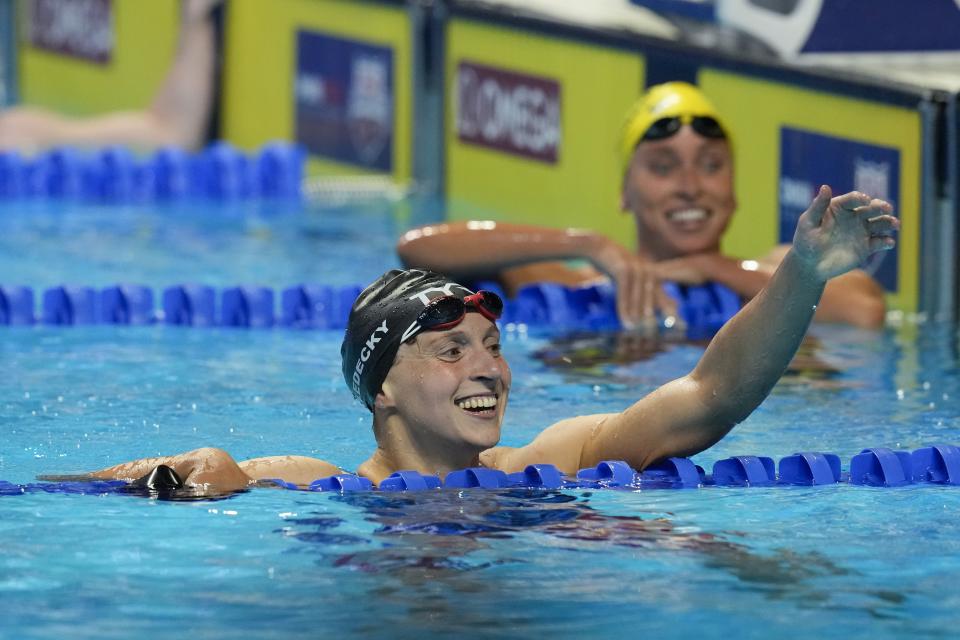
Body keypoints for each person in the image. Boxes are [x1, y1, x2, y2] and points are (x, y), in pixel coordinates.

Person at [80, 185, 897, 492]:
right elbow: (207, 476)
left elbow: (712, 395)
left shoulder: (552, 459)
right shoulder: (314, 483)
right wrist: (192, 475)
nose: (489, 369)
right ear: (383, 388)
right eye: (451, 349)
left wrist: (803, 275)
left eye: (493, 345)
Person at [396, 82, 888, 330]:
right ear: (625, 193)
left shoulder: (773, 271)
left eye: (711, 165)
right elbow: (418, 249)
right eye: (663, 166)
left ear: (735, 190)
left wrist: (711, 267)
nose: (691, 186)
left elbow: (865, 310)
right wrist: (585, 243)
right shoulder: (573, 282)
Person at [0, 0, 222, 153]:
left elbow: (171, 135)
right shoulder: (15, 140)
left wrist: (195, 18)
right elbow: (172, 135)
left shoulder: (15, 137)